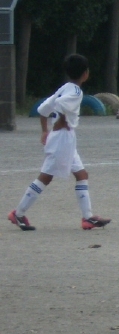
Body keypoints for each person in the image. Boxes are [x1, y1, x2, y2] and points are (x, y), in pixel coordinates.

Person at [8, 54, 111, 232]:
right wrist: (61, 120)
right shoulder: (76, 92)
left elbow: (43, 109)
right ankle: (18, 213)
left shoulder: (65, 87)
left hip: (64, 138)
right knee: (46, 176)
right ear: (85, 73)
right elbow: (61, 104)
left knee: (82, 174)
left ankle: (88, 218)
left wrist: (44, 130)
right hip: (62, 138)